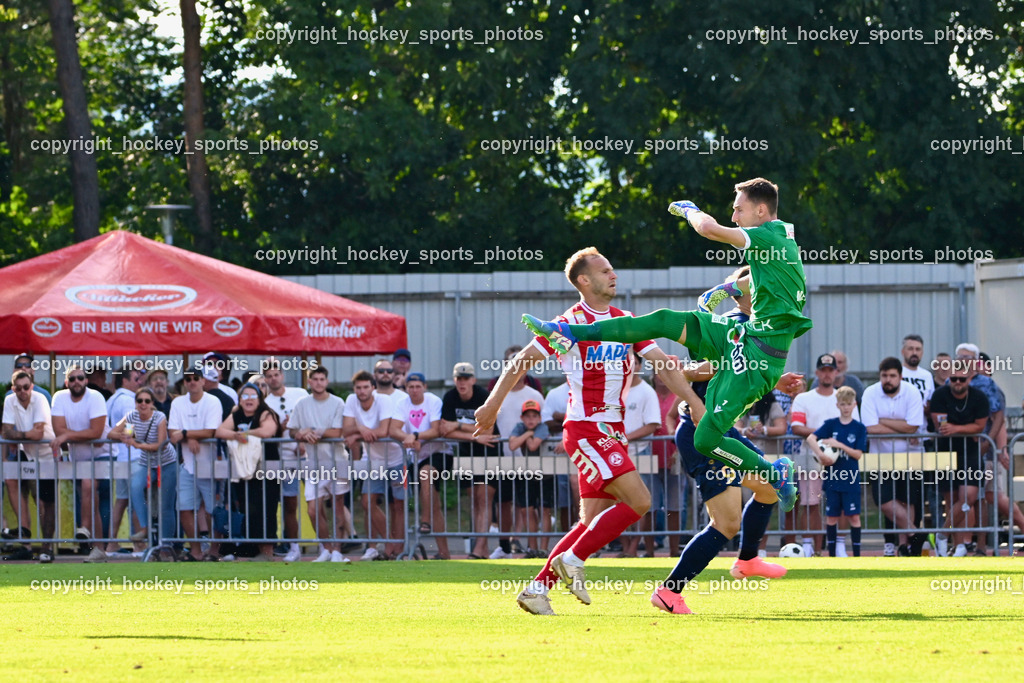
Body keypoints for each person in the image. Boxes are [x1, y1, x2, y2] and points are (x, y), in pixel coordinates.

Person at [523, 178, 804, 509]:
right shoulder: (778, 240)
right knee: (663, 320)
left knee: (706, 439)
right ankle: (569, 331)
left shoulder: (767, 235)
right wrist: (726, 290)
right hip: (745, 337)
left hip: (757, 353)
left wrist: (691, 211)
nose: (734, 215)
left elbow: (710, 230)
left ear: (760, 210)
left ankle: (774, 474)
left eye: (738, 209)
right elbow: (754, 276)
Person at [476, 247, 709, 615]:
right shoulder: (568, 325)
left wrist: (696, 400)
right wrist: (491, 405)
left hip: (611, 433)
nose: (614, 275)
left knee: (588, 523)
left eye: (613, 269)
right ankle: (572, 561)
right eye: (605, 271)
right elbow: (521, 361)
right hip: (586, 429)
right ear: (584, 280)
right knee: (641, 501)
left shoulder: (625, 320)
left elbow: (663, 364)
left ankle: (537, 589)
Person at [650, 274, 801, 615]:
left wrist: (777, 378)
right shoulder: (733, 325)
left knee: (770, 488)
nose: (772, 292)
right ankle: (668, 593)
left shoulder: (754, 325)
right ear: (744, 295)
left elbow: (733, 371)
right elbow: (708, 368)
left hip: (723, 431)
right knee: (727, 524)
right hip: (703, 434)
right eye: (763, 287)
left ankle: (746, 560)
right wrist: (685, 373)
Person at [789, 354, 861, 556]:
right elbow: (796, 427)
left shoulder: (844, 398)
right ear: (817, 372)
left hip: (840, 462)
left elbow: (854, 427)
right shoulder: (804, 398)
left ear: (837, 372)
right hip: (810, 457)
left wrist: (832, 439)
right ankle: (809, 544)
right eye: (824, 370)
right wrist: (825, 437)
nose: (827, 374)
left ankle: (838, 544)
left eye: (831, 370)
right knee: (810, 503)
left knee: (841, 504)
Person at [861, 357, 926, 556]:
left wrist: (883, 421)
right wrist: (904, 430)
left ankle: (905, 546)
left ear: (900, 376)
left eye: (892, 376)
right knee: (884, 500)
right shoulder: (870, 393)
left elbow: (913, 426)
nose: (888, 380)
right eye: (884, 376)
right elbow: (870, 428)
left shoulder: (912, 392)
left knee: (908, 500)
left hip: (911, 457)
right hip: (880, 458)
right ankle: (915, 532)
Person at [290, 366, 351, 563]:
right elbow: (292, 430)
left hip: (338, 461)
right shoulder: (302, 403)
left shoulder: (337, 402)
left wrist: (313, 431)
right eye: (314, 379)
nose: (318, 382)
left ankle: (337, 551)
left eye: (322, 379)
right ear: (309, 382)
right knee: (312, 509)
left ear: (327, 381)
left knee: (338, 507)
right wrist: (300, 434)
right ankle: (326, 548)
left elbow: (337, 432)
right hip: (314, 463)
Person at [215, 383, 282, 561]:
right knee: (249, 509)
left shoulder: (267, 413)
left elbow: (268, 431)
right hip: (246, 470)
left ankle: (267, 552)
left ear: (259, 399)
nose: (249, 399)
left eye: (253, 396)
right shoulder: (236, 414)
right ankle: (254, 550)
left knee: (266, 508)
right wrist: (236, 435)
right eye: (244, 396)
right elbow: (220, 431)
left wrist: (245, 433)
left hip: (267, 470)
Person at [442, 361, 500, 559]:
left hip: (488, 453)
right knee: (474, 500)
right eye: (459, 378)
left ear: (473, 380)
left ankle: (478, 548)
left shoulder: (483, 396)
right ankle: (481, 549)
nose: (462, 382)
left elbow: (489, 431)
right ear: (454, 380)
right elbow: (444, 430)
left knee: (484, 499)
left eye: (466, 378)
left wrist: (456, 426)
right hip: (466, 453)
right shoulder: (450, 397)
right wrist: (474, 435)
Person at [929, 361, 988, 557]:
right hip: (946, 451)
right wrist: (964, 428)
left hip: (970, 451)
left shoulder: (979, 397)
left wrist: (957, 429)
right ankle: (959, 545)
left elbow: (979, 427)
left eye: (961, 379)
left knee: (968, 498)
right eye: (953, 378)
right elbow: (942, 427)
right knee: (951, 499)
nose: (957, 382)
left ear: (969, 378)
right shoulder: (939, 395)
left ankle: (942, 534)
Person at [389, 371, 451, 559]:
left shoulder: (433, 401)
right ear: (406, 388)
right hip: (417, 455)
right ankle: (444, 552)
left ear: (424, 387)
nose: (414, 390)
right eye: (411, 387)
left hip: (439, 452)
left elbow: (435, 429)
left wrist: (415, 437)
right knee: (434, 503)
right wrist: (408, 438)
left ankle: (425, 521)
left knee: (425, 474)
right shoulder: (402, 404)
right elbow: (393, 430)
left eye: (418, 386)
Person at [50, 364, 108, 563]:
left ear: (86, 380)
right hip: (79, 456)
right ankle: (99, 548)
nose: (77, 382)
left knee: (88, 485)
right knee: (92, 500)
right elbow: (58, 431)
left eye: (80, 378)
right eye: (72, 379)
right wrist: (68, 435)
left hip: (102, 453)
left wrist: (68, 435)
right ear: (67, 382)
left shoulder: (96, 397)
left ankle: (84, 527)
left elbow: (97, 434)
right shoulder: (59, 397)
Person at [108, 387, 178, 547]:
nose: (143, 404)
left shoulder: (159, 417)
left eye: (147, 401)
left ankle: (167, 546)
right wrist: (124, 436)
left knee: (166, 505)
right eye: (140, 401)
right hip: (147, 462)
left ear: (152, 403)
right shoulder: (132, 417)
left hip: (166, 462)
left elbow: (160, 445)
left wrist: (136, 444)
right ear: (135, 403)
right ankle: (145, 527)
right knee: (135, 487)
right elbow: (111, 433)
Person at [344, 370, 402, 560]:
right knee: (367, 502)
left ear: (373, 388)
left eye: (365, 387)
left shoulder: (384, 401)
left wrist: (357, 434)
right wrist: (360, 428)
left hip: (397, 457)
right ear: (354, 389)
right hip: (374, 460)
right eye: (358, 387)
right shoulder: (351, 400)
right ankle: (390, 543)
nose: (362, 391)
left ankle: (399, 551)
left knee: (399, 506)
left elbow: (384, 431)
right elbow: (346, 429)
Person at [168, 367, 224, 561]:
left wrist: (186, 434)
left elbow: (211, 432)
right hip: (188, 465)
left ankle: (214, 551)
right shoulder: (178, 402)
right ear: (184, 382)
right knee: (184, 508)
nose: (192, 381)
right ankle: (196, 551)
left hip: (211, 465)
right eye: (188, 379)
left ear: (203, 381)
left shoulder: (212, 401)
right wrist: (189, 437)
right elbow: (172, 434)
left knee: (213, 511)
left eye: (195, 378)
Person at [805, 386, 867, 557]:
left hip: (851, 479)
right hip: (833, 478)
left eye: (849, 404)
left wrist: (839, 445)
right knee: (831, 517)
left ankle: (857, 555)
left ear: (854, 405)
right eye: (842, 404)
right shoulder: (831, 425)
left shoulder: (859, 428)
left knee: (853, 517)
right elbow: (811, 438)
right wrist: (820, 455)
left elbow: (857, 454)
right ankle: (831, 556)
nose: (846, 407)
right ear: (837, 405)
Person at [2, 370, 56, 562]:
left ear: (31, 386)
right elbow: (6, 432)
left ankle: (47, 548)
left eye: (26, 387)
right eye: (19, 388)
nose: (23, 391)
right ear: (13, 388)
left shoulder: (40, 399)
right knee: (11, 481)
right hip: (27, 452)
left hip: (47, 454)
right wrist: (26, 435)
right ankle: (24, 535)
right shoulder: (10, 400)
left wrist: (19, 436)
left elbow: (38, 434)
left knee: (45, 502)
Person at [262, 358, 308, 562]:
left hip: (309, 456)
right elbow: (268, 434)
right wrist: (282, 428)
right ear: (265, 379)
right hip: (285, 460)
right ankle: (294, 545)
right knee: (289, 505)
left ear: (283, 375)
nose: (273, 378)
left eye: (276, 374)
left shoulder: (300, 393)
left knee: (320, 502)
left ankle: (330, 546)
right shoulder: (264, 403)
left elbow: (312, 417)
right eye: (269, 376)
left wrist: (302, 437)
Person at [619, 369, 661, 558]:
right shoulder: (614, 388)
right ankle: (626, 546)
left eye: (633, 362)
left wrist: (625, 438)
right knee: (619, 502)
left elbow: (653, 424)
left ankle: (635, 546)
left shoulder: (647, 391)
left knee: (642, 503)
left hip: (641, 453)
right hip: (616, 454)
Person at [105, 364, 146, 555]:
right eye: (136, 379)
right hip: (132, 455)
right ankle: (139, 545)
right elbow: (130, 426)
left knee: (121, 500)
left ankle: (111, 543)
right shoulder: (129, 400)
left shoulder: (112, 399)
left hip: (119, 455)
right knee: (136, 500)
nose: (140, 382)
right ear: (125, 380)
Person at [507, 399, 551, 558]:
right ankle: (533, 548)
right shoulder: (521, 428)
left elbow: (532, 446)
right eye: (527, 416)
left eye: (534, 416)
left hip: (546, 473)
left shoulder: (543, 427)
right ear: (522, 418)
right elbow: (512, 445)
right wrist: (528, 434)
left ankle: (544, 549)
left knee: (545, 510)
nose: (531, 419)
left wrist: (524, 437)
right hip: (528, 473)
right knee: (528, 510)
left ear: (539, 418)